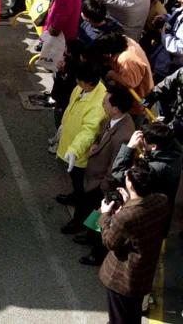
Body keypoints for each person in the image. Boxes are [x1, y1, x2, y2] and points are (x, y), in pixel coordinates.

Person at [67, 85, 137, 265]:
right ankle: (89, 236)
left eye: (105, 101)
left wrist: (103, 188)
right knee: (92, 213)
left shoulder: (124, 134)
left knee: (102, 220)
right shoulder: (112, 119)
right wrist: (96, 144)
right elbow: (101, 136)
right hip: (95, 177)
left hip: (103, 184)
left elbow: (116, 167)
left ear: (115, 109)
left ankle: (96, 254)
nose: (102, 103)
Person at [98, 162, 170, 324]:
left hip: (122, 278)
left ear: (130, 184)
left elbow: (110, 242)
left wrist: (105, 215)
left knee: (119, 318)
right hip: (143, 274)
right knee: (132, 315)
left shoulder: (125, 217)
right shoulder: (162, 201)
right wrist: (128, 203)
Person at [111, 122, 182, 237]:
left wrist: (129, 147)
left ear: (154, 146)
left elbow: (118, 171)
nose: (141, 146)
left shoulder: (153, 169)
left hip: (145, 217)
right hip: (161, 215)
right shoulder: (175, 153)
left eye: (143, 144)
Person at [55, 64, 107, 204]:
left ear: (88, 82)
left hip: (80, 153)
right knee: (75, 179)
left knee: (79, 181)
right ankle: (76, 196)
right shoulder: (82, 88)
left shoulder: (98, 105)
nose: (76, 81)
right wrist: (63, 124)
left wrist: (74, 151)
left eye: (79, 79)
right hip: (71, 142)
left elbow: (89, 131)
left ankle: (78, 201)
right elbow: (72, 108)